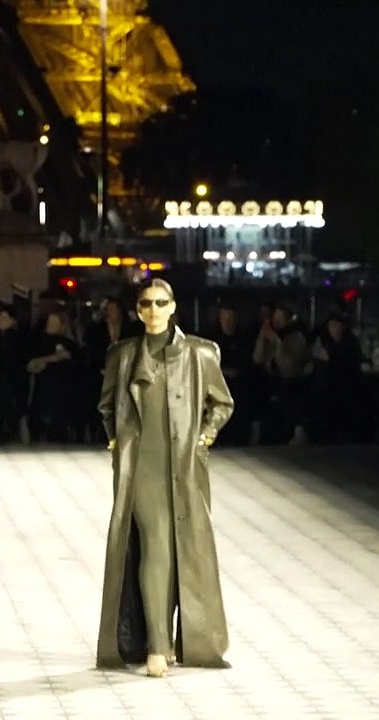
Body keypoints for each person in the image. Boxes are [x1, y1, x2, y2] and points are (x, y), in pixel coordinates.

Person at [96, 278, 235, 677]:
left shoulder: (200, 353)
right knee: (155, 548)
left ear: (173, 307)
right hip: (141, 469)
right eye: (145, 304)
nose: (153, 310)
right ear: (137, 310)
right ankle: (157, 645)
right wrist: (115, 444)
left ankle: (180, 643)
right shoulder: (122, 355)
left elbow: (222, 403)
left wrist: (204, 438)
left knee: (183, 552)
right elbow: (107, 406)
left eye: (160, 302)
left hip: (185, 468)